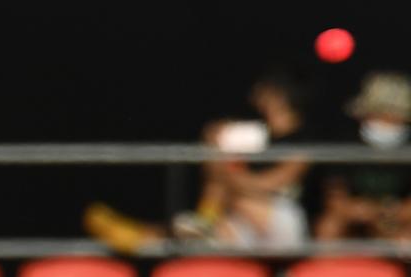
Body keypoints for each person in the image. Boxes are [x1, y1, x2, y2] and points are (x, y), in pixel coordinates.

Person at [176, 72, 314, 249]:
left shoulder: (304, 140)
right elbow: (214, 171)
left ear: (280, 96)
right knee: (207, 236)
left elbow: (271, 183)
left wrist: (228, 175)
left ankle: (204, 221)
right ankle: (204, 223)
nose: (256, 96)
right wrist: (216, 142)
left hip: (283, 218)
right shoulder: (251, 133)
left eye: (264, 91)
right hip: (241, 219)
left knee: (234, 197)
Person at [315, 72, 411, 240]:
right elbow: (334, 199)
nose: (388, 120)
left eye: (396, 115)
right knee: (328, 227)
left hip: (395, 220)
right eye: (382, 113)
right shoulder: (347, 144)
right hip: (355, 216)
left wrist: (388, 213)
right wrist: (361, 211)